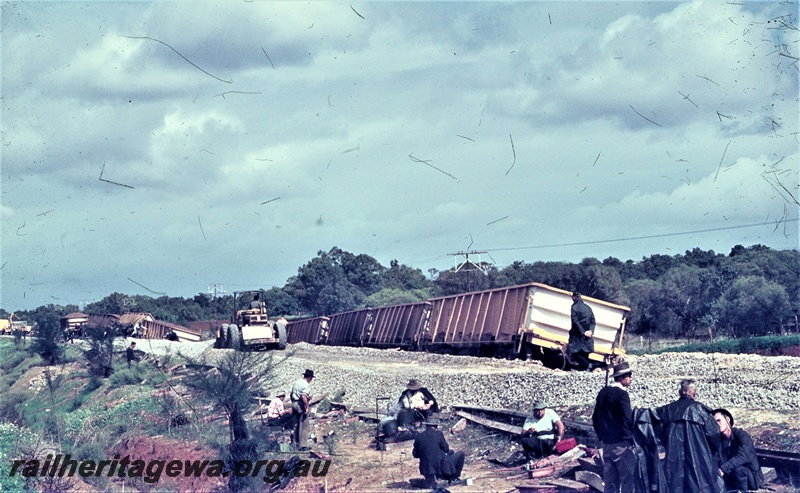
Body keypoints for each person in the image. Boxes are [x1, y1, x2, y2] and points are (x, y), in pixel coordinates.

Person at [655, 379, 722, 493]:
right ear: (694, 393)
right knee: (699, 486)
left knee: (675, 486)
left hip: (673, 458)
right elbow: (714, 435)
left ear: (680, 392)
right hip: (699, 459)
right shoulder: (701, 410)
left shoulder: (666, 410)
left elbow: (658, 434)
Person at [592, 361, 636, 493]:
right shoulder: (622, 395)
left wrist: (601, 436)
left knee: (610, 483)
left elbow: (595, 418)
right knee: (627, 479)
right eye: (629, 375)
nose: (631, 378)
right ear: (621, 377)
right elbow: (627, 418)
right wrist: (632, 436)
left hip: (606, 444)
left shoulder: (603, 392)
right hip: (621, 444)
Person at [713, 408, 764, 493]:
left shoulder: (741, 435)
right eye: (715, 422)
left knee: (738, 470)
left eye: (719, 420)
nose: (717, 424)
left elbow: (743, 456)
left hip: (752, 477)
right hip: (733, 477)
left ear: (727, 419)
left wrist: (723, 469)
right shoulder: (720, 441)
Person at [412, 418, 465, 488]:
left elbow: (415, 454)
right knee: (460, 454)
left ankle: (435, 479)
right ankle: (453, 479)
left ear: (426, 426)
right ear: (435, 426)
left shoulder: (419, 437)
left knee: (451, 452)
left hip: (427, 471)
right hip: (440, 467)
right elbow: (446, 449)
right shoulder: (438, 434)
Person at [568, 291, 595, 371]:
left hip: (577, 336)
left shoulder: (574, 308)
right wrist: (590, 331)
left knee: (573, 353)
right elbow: (593, 321)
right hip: (588, 336)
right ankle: (584, 370)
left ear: (574, 298)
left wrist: (583, 332)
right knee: (584, 354)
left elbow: (575, 322)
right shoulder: (588, 308)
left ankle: (588, 365)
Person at [290, 369, 314, 450]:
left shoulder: (297, 382)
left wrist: (293, 402)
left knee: (296, 424)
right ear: (310, 378)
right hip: (300, 404)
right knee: (304, 425)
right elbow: (303, 396)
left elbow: (291, 394)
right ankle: (302, 445)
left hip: (294, 403)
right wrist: (307, 407)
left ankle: (295, 443)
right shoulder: (306, 384)